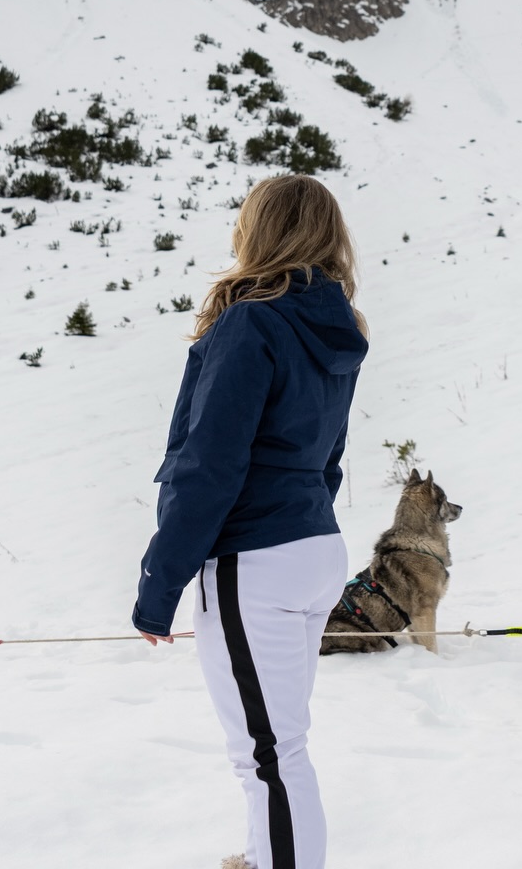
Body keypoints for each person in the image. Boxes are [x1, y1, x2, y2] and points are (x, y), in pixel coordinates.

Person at [133, 174, 369, 869]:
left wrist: (159, 585)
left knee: (269, 756)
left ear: (257, 230)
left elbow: (209, 465)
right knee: (277, 748)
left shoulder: (250, 322)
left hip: (256, 561)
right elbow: (328, 458)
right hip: (314, 549)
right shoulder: (339, 328)